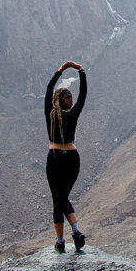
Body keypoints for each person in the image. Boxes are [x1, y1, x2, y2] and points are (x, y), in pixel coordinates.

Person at [44, 60, 87, 253]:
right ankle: (76, 232)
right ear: (66, 101)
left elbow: (49, 87)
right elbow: (83, 96)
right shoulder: (72, 115)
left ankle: (61, 240)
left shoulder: (50, 113)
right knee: (62, 197)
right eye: (69, 99)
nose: (71, 101)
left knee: (58, 199)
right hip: (71, 159)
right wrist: (81, 71)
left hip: (54, 158)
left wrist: (60, 69)